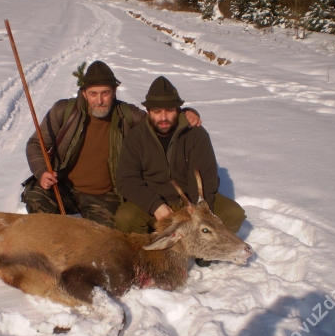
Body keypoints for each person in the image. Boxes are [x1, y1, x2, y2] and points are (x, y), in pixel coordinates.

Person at [22, 61, 201, 228]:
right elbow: (36, 143)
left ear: (114, 92)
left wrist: (185, 113)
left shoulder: (127, 115)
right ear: (84, 93)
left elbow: (159, 120)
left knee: (105, 239)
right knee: (35, 197)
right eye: (93, 93)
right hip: (63, 187)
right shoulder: (64, 111)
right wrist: (42, 171)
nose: (99, 100)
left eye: (105, 93)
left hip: (103, 196)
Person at [115, 76, 246, 238]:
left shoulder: (196, 134)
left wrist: (197, 213)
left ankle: (202, 250)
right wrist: (155, 205)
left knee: (233, 214)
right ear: (148, 112)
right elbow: (127, 179)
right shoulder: (136, 137)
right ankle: (150, 248)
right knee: (125, 218)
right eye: (157, 112)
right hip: (157, 199)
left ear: (178, 110)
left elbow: (204, 178)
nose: (163, 117)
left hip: (193, 200)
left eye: (169, 110)